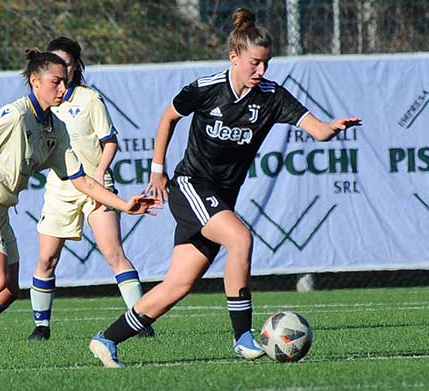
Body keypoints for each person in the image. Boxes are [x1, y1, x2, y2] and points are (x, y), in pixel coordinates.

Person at [88, 8, 362, 368]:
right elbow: (168, 117)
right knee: (240, 239)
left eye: (266, 64)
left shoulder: (272, 96)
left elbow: (317, 129)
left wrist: (332, 126)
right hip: (190, 185)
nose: (261, 71)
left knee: (178, 285)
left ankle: (106, 339)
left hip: (218, 196)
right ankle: (242, 337)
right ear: (234, 57)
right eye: (254, 63)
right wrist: (158, 171)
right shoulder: (207, 89)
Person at [0, 49, 159, 372]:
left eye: (65, 82)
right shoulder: (16, 115)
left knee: (7, 291)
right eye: (55, 82)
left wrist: (124, 204)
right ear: (35, 81)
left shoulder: (56, 129)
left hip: (0, 209)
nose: (62, 89)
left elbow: (82, 182)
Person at [27, 37, 153, 341]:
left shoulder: (89, 99)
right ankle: (41, 327)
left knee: (113, 253)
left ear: (75, 66)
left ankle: (140, 322)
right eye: (56, 64)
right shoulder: (42, 105)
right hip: (61, 188)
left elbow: (110, 140)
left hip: (96, 186)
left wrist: (99, 171)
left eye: (67, 63)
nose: (62, 70)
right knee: (46, 259)